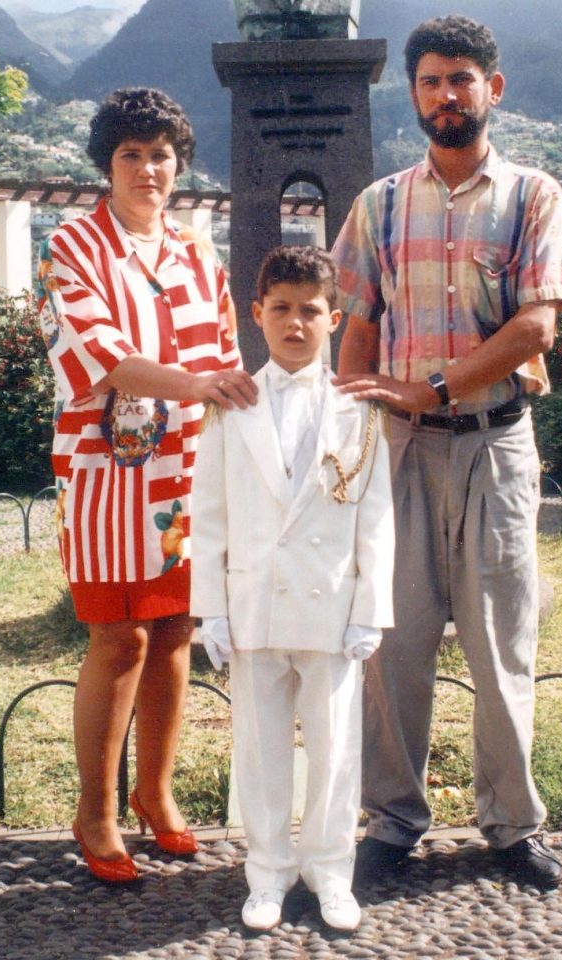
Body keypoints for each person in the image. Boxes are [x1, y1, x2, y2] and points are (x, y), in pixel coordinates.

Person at [331, 15, 562, 889]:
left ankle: (511, 824)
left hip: (491, 446)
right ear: (413, 95)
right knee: (389, 643)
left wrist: (432, 387)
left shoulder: (532, 196)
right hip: (398, 453)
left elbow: (536, 324)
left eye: (462, 79)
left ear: (494, 89)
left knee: (497, 642)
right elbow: (357, 326)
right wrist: (353, 431)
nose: (447, 94)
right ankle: (392, 819)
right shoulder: (379, 204)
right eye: (431, 80)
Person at [38, 87, 257, 883]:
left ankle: (154, 795)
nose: (147, 168)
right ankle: (94, 810)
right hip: (103, 471)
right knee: (118, 636)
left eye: (160, 153)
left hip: (186, 470)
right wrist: (198, 385)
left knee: (173, 633)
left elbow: (226, 348)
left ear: (178, 162)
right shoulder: (71, 245)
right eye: (130, 154)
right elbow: (98, 356)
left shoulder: (197, 253)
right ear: (108, 163)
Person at [190, 246, 394, 931]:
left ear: (333, 318)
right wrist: (209, 611)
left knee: (336, 749)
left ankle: (331, 871)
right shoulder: (230, 404)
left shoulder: (356, 408)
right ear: (257, 314)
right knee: (260, 745)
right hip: (254, 603)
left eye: (310, 310)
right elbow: (210, 514)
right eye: (280, 308)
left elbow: (375, 518)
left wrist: (370, 610)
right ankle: (268, 870)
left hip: (329, 605)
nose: (295, 323)